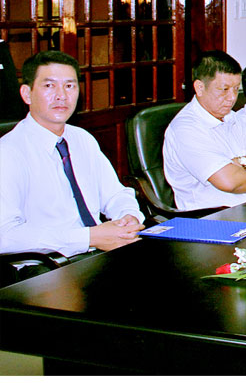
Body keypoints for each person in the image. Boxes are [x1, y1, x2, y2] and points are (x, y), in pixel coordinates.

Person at [0, 51, 144, 257]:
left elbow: (115, 194)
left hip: (99, 251)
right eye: (49, 86)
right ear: (26, 94)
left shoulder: (81, 138)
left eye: (69, 86)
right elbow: (5, 236)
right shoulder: (8, 153)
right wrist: (87, 238)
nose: (62, 96)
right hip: (47, 263)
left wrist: (128, 216)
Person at [164, 51, 246, 211]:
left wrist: (242, 162)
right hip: (215, 216)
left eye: (235, 89)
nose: (232, 97)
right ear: (200, 87)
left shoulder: (231, 117)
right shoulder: (186, 129)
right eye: (224, 89)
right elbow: (230, 182)